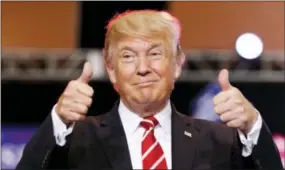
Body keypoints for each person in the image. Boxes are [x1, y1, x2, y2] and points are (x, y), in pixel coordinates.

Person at [16, 10, 283, 170]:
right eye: (128, 56)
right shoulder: (77, 140)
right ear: (111, 70)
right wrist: (58, 120)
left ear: (177, 64)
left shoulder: (220, 142)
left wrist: (253, 126)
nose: (143, 68)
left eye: (155, 53)